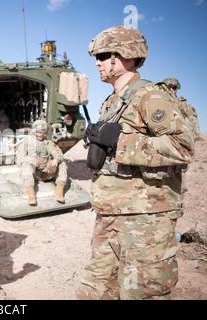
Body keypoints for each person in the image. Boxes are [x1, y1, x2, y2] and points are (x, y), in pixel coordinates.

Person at [77, 27, 195, 300]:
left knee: (141, 293)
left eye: (104, 55)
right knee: (95, 291)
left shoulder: (151, 96)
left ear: (126, 56)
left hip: (145, 221)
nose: (98, 62)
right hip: (111, 215)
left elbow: (182, 147)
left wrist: (121, 141)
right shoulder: (113, 101)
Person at [17, 119, 67, 205]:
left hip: (47, 171)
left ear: (45, 133)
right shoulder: (27, 143)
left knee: (62, 164)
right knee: (26, 165)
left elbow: (59, 154)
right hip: (33, 174)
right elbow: (19, 159)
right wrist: (32, 160)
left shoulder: (48, 143)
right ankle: (31, 194)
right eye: (38, 132)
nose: (40, 134)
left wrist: (56, 160)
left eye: (42, 132)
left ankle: (59, 190)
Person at [163, 77, 201, 141]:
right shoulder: (159, 100)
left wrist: (196, 138)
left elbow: (193, 120)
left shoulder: (182, 104)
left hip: (180, 137)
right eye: (169, 87)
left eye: (174, 87)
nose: (171, 89)